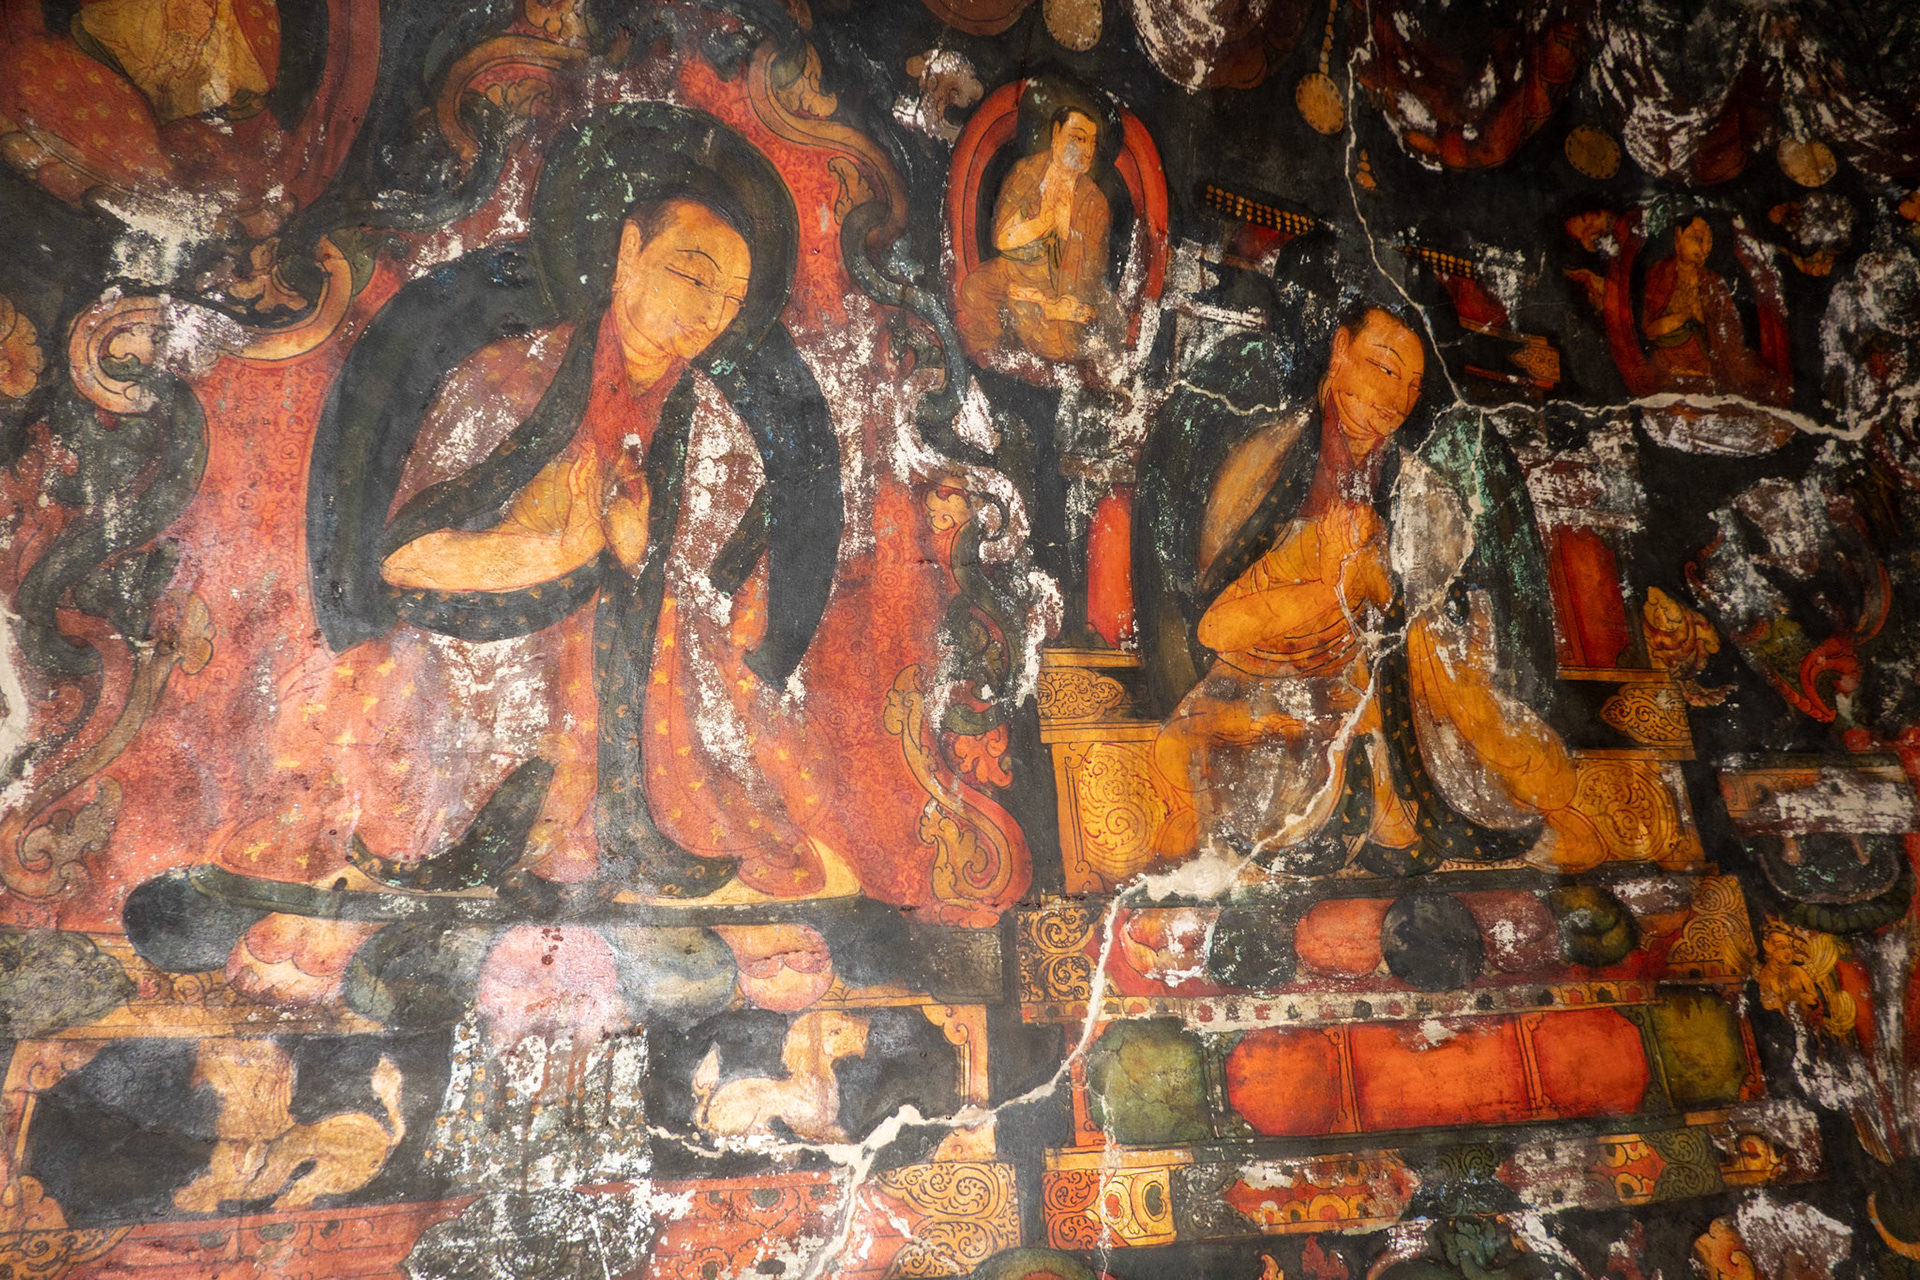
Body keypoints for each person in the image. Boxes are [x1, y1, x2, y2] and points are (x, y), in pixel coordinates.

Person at [305, 104, 847, 904]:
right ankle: (478, 826)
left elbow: (713, 604)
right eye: (694, 273)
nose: (710, 308)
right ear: (627, 253)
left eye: (732, 296)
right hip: (484, 664)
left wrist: (636, 550)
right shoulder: (511, 377)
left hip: (629, 701)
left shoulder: (715, 429)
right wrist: (559, 550)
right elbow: (403, 559)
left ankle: (615, 826)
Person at [1146, 305, 1608, 873]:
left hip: (1393, 694)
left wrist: (1401, 623)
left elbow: (1441, 634)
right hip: (1270, 690)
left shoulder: (1422, 492)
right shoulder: (1261, 464)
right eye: (1385, 369)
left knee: (1461, 758)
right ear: (1340, 351)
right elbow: (1218, 627)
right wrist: (1329, 593)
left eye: (1412, 385)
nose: (1397, 398)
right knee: (1257, 761)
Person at [956, 106, 1115, 363]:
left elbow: (1091, 272)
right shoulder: (1027, 171)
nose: (1087, 150)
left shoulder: (1094, 201)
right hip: (1014, 276)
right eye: (1078, 138)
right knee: (973, 289)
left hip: (1062, 288)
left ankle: (1036, 315)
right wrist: (1042, 222)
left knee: (1057, 337)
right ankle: (1025, 315)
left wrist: (1067, 231)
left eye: (1092, 143)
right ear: (1056, 133)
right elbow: (1002, 240)